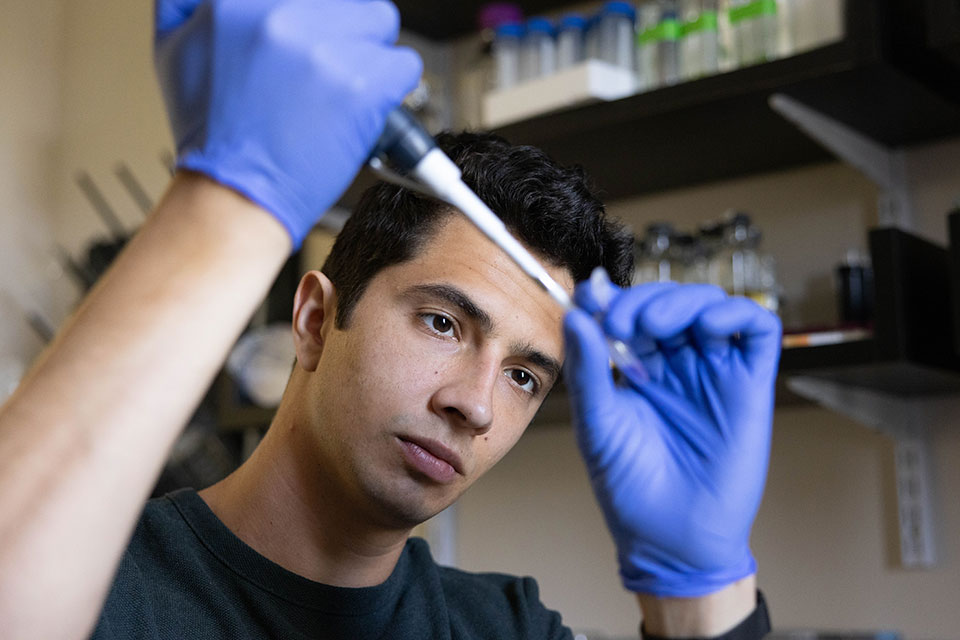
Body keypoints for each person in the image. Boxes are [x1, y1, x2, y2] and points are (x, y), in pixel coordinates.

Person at [0, 1, 781, 639]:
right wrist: (224, 206)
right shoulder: (91, 579)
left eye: (522, 375)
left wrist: (701, 596)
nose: (474, 406)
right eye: (444, 324)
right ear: (312, 319)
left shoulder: (508, 630)